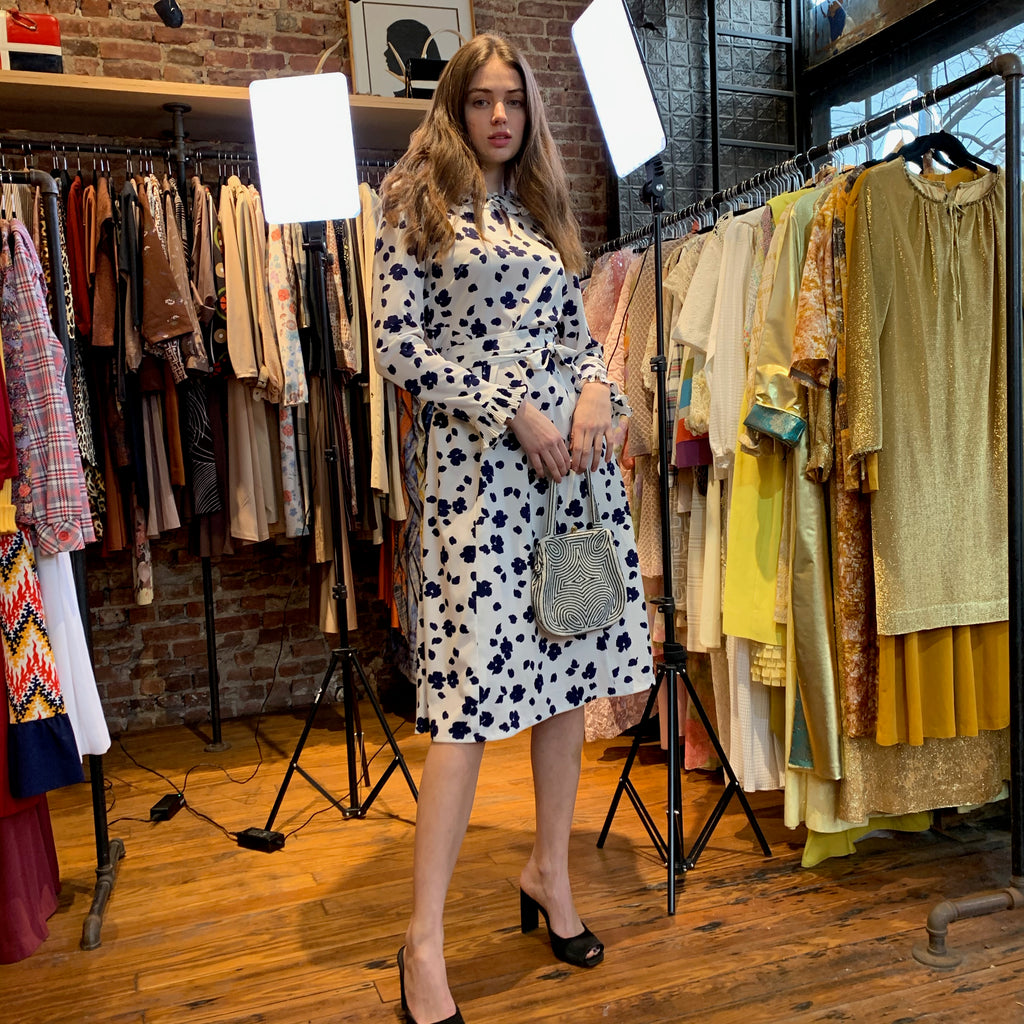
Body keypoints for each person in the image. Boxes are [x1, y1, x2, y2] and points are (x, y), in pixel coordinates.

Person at [372, 32, 653, 1024]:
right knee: (462, 710)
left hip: (565, 485)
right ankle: (422, 940)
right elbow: (398, 349)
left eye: (514, 102)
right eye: (482, 99)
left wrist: (589, 392)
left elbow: (578, 342)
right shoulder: (412, 204)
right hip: (477, 484)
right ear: (453, 105)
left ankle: (549, 873)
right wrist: (511, 406)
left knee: (566, 685)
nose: (500, 116)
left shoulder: (537, 213)